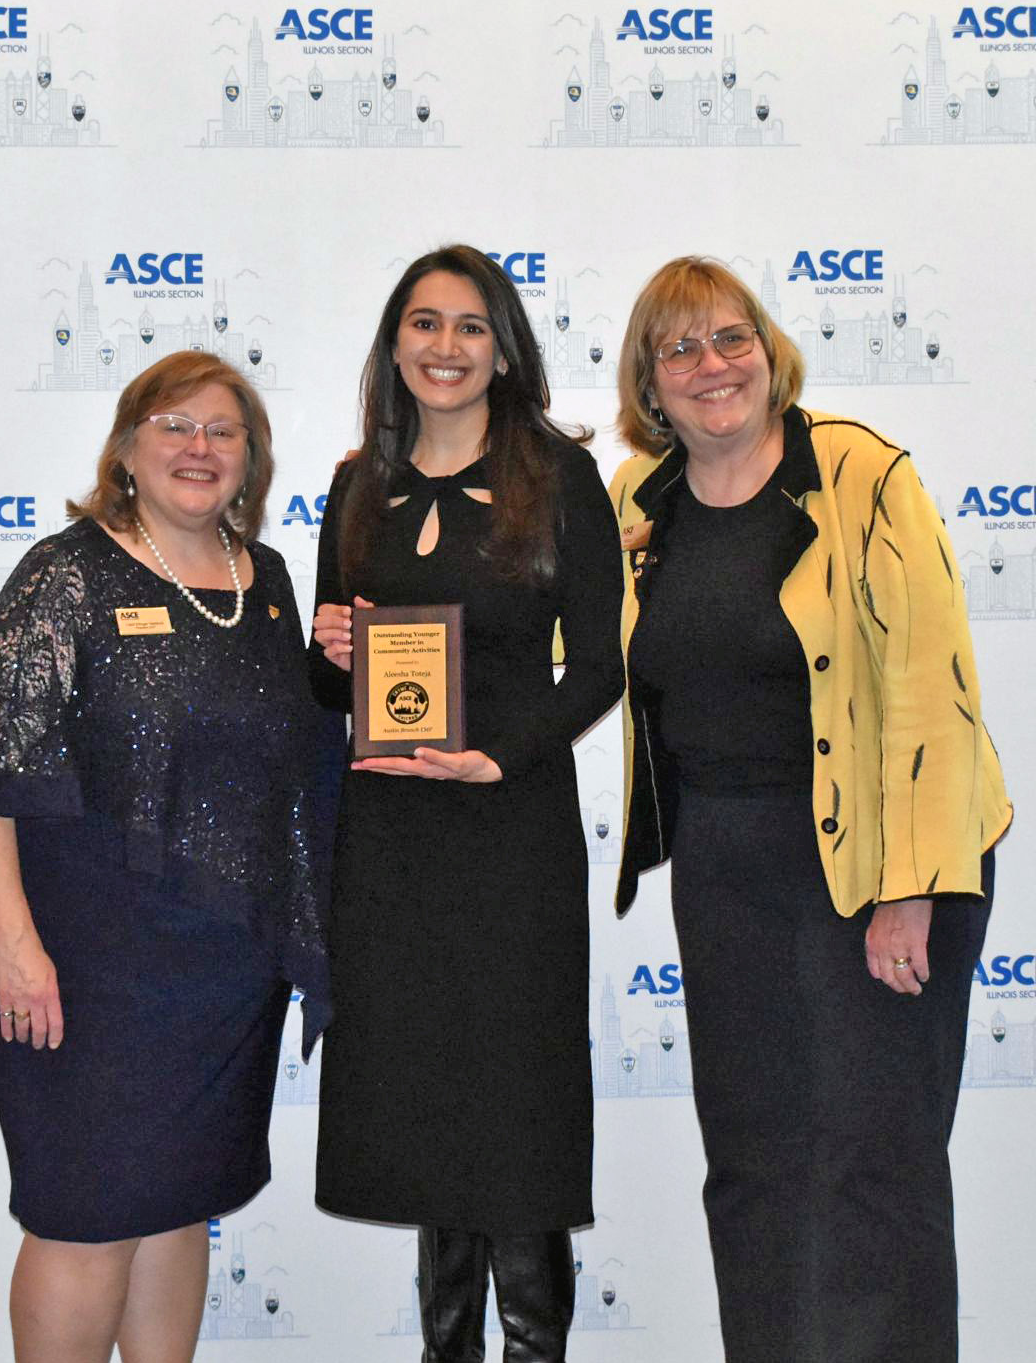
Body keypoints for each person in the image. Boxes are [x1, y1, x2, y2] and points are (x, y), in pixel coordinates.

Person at [606, 256, 1013, 1363]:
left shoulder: (859, 473)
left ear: (768, 349)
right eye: (679, 348)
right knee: (751, 1162)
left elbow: (931, 685)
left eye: (729, 338)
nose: (711, 365)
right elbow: (552, 634)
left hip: (879, 853)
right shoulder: (636, 498)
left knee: (876, 1164)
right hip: (723, 860)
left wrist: (910, 889)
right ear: (648, 380)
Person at [0, 350, 335, 1363]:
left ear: (250, 458)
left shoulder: (267, 582)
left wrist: (350, 665)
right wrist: (15, 946)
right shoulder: (66, 574)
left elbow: (284, 758)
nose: (199, 447)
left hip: (224, 966)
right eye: (174, 425)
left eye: (223, 431)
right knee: (85, 1217)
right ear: (126, 448)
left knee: (179, 1204)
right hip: (86, 966)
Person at [308, 245, 623, 1363]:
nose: (445, 347)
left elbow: (600, 666)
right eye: (425, 323)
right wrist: (328, 652)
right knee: (428, 1110)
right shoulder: (356, 485)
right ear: (394, 343)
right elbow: (331, 688)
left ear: (503, 350)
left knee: (518, 1110)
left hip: (510, 834)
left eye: (470, 327)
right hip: (392, 847)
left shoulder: (559, 476)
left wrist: (497, 757)